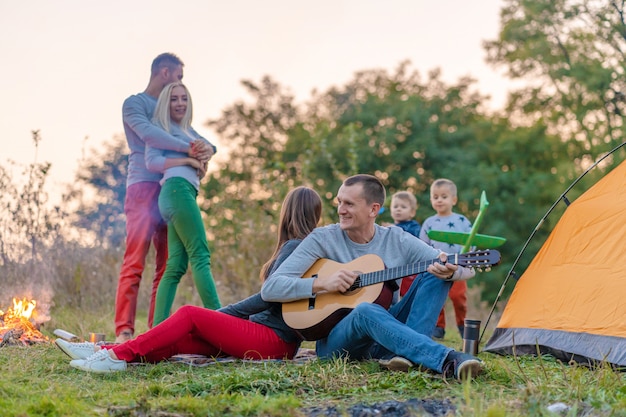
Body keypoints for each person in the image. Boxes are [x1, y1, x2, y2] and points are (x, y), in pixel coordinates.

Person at [55, 186, 323, 373]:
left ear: (287, 212)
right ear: (315, 215)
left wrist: (224, 314)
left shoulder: (295, 246)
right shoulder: (306, 248)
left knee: (190, 315)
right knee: (179, 342)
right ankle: (102, 350)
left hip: (272, 340)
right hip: (276, 342)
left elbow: (267, 297)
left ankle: (114, 356)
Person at [261, 174, 482, 381]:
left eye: (349, 204)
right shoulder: (322, 239)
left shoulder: (396, 239)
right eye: (339, 202)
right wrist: (322, 284)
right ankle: (446, 359)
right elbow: (271, 288)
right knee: (365, 310)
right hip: (337, 344)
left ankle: (407, 355)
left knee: (436, 271)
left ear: (373, 209)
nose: (341, 210)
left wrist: (451, 270)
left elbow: (460, 267)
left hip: (385, 334)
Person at [115, 52, 214, 343]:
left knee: (167, 263)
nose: (181, 87)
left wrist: (205, 150)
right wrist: (190, 152)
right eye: (179, 77)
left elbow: (203, 141)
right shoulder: (135, 104)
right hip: (143, 186)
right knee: (135, 260)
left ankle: (155, 330)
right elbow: (149, 137)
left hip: (171, 188)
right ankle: (124, 330)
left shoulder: (172, 110)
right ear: (166, 72)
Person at [146, 82, 221, 325]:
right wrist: (189, 160)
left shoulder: (189, 131)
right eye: (174, 99)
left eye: (184, 99)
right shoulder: (160, 129)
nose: (180, 103)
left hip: (181, 193)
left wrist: (206, 154)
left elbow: (211, 148)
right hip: (177, 191)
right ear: (166, 103)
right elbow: (152, 162)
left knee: (176, 264)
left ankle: (156, 330)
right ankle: (222, 319)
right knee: (200, 255)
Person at [419, 178, 472, 340]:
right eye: (435, 197)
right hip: (436, 268)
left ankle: (462, 325)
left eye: (444, 196)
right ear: (431, 200)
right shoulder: (429, 223)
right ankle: (438, 327)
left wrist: (469, 254)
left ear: (454, 200)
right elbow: (422, 245)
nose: (439, 200)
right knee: (437, 299)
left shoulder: (461, 221)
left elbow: (471, 242)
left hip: (457, 267)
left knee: (458, 298)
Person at [389, 191, 421, 296]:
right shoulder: (389, 228)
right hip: (395, 266)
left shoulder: (413, 227)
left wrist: (395, 230)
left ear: (412, 212)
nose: (398, 209)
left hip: (409, 268)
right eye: (395, 206)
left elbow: (412, 240)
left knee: (410, 293)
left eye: (403, 207)